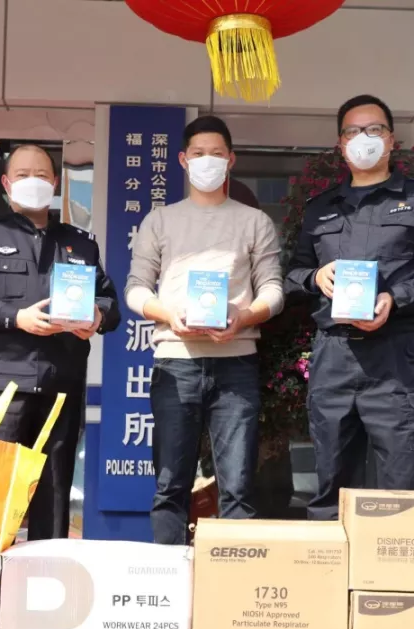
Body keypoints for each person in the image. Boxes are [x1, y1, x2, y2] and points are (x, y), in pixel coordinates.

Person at [286, 94, 414, 519]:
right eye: (353, 131)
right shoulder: (320, 209)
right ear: (340, 144)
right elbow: (292, 273)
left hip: (393, 356)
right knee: (330, 486)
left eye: (374, 129)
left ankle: (393, 563)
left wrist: (394, 298)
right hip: (334, 355)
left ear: (391, 140)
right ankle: (329, 562)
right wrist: (315, 277)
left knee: (399, 489)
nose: (363, 138)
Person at [0, 144, 120, 540]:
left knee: (53, 494)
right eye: (22, 175)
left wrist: (98, 316)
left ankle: (48, 573)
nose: (32, 182)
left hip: (60, 388)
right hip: (1, 387)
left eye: (41, 175)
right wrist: (16, 317)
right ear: (6, 184)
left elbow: (110, 302)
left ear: (55, 183)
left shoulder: (79, 243)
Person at [126, 115, 284, 545]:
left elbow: (274, 290)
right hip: (175, 364)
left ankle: (231, 576)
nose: (207, 161)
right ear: (183, 159)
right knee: (169, 485)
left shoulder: (254, 221)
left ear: (231, 160)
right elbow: (135, 289)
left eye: (216, 153)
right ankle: (169, 574)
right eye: (198, 153)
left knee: (238, 486)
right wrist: (167, 314)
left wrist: (243, 317)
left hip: (237, 365)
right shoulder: (160, 220)